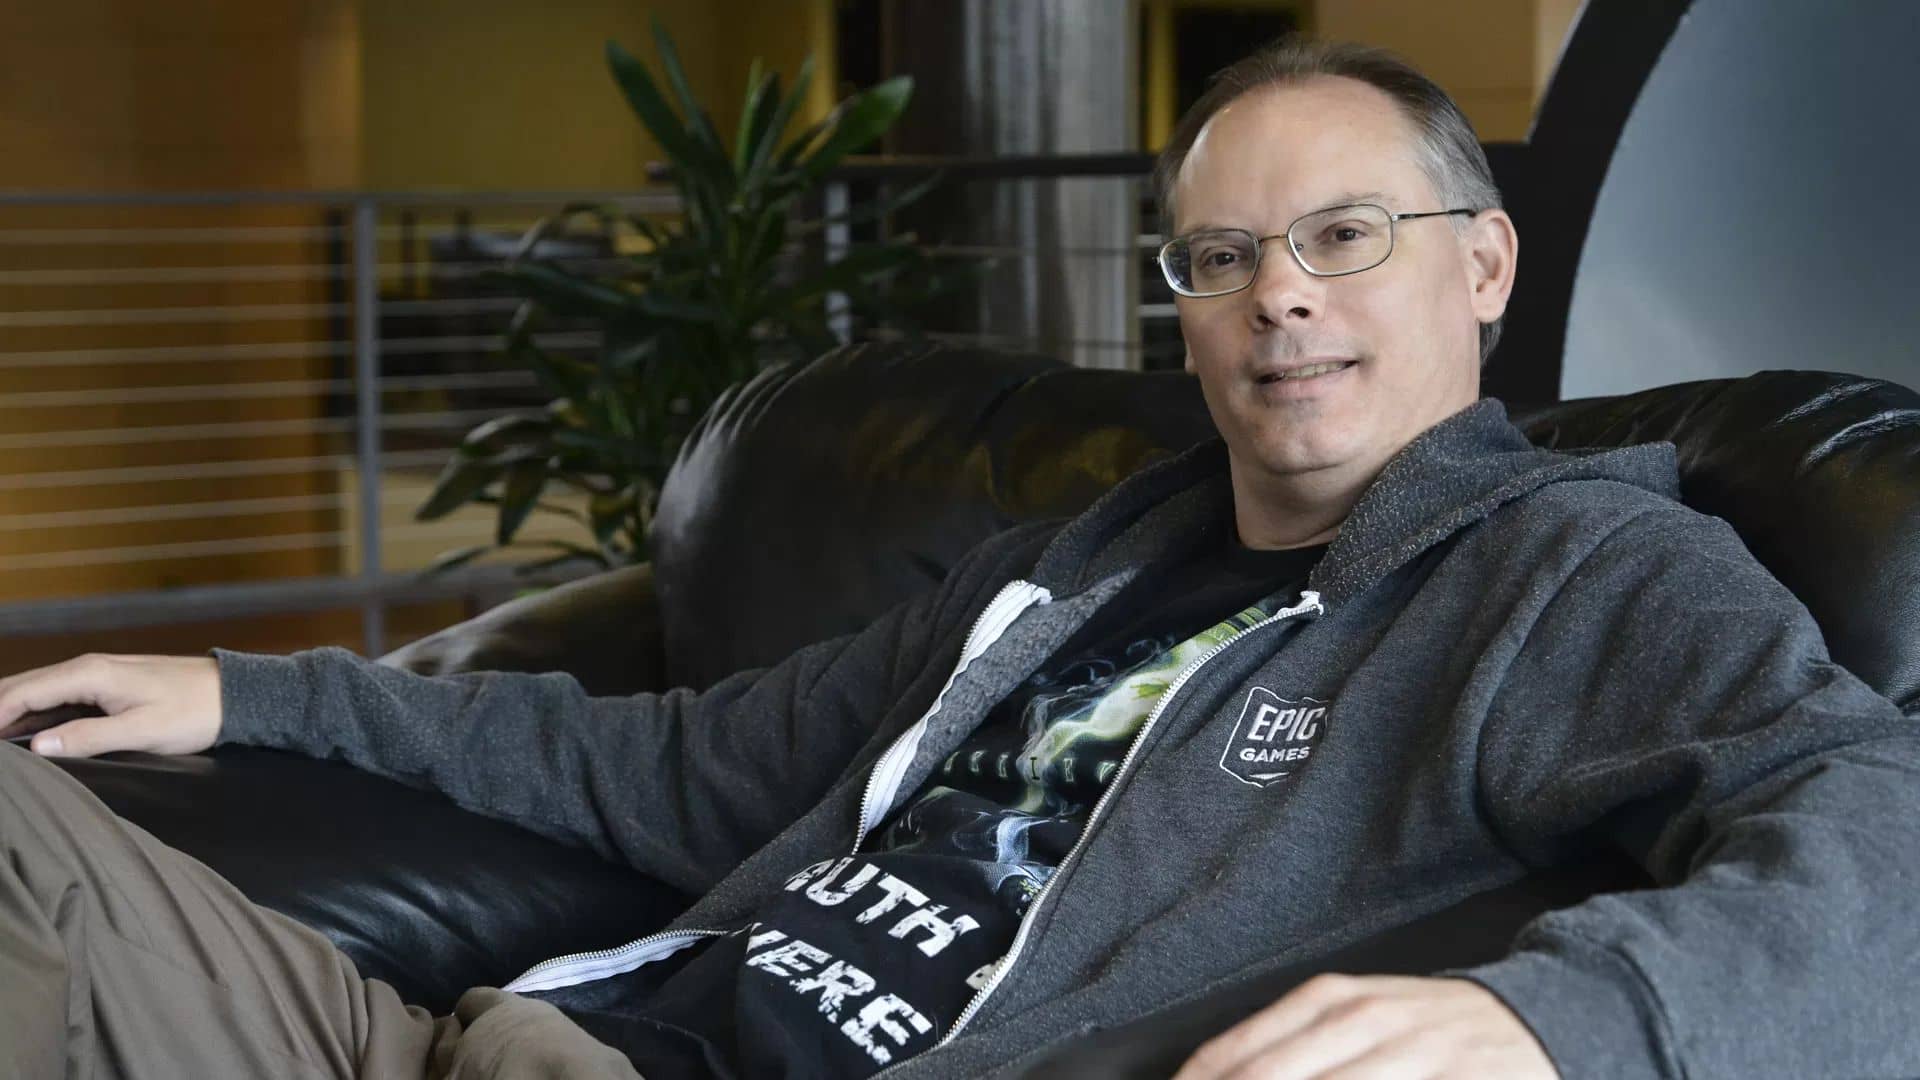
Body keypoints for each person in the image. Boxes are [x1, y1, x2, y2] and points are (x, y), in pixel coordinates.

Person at [3, 37, 1917, 1080]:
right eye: (1222, 258)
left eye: (1346, 237)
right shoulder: (1087, 562)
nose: (1279, 299)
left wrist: (1554, 1019)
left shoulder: (1575, 570)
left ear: (1483, 265)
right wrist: (249, 690)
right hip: (480, 1041)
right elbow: (673, 760)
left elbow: (1875, 829)